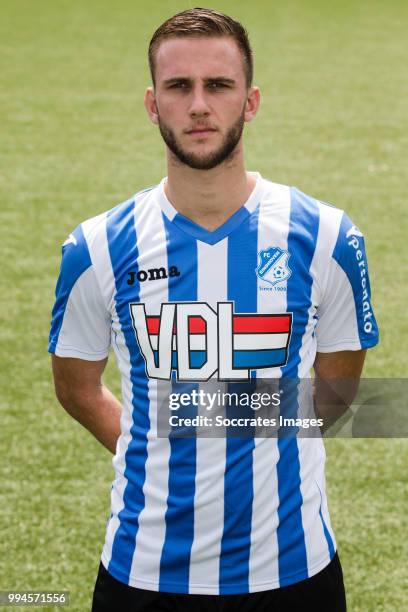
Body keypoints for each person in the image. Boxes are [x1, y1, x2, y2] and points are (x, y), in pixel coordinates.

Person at [49, 7, 379, 611]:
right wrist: (152, 444)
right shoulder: (96, 247)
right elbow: (77, 388)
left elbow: (336, 396)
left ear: (250, 101)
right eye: (179, 87)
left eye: (219, 85)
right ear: (153, 104)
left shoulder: (328, 237)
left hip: (295, 571)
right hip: (143, 573)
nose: (199, 105)